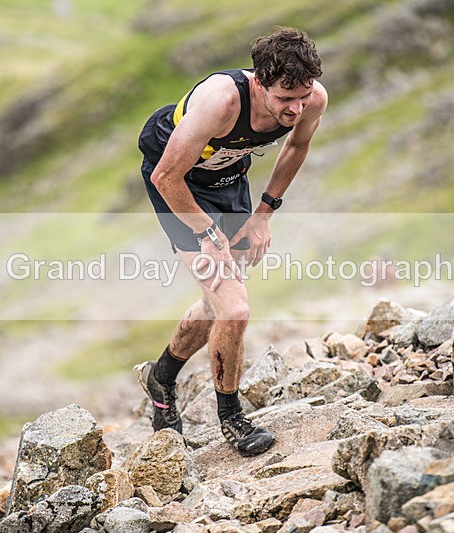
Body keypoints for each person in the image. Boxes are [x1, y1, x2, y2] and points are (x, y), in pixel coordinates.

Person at [134, 26, 327, 457]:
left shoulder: (313, 99)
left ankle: (160, 377)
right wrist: (207, 234)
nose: (296, 108)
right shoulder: (221, 101)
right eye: (285, 98)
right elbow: (166, 176)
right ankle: (232, 418)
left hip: (228, 179)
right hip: (177, 182)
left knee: (217, 302)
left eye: (303, 96)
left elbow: (297, 147)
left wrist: (263, 214)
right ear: (259, 83)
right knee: (235, 309)